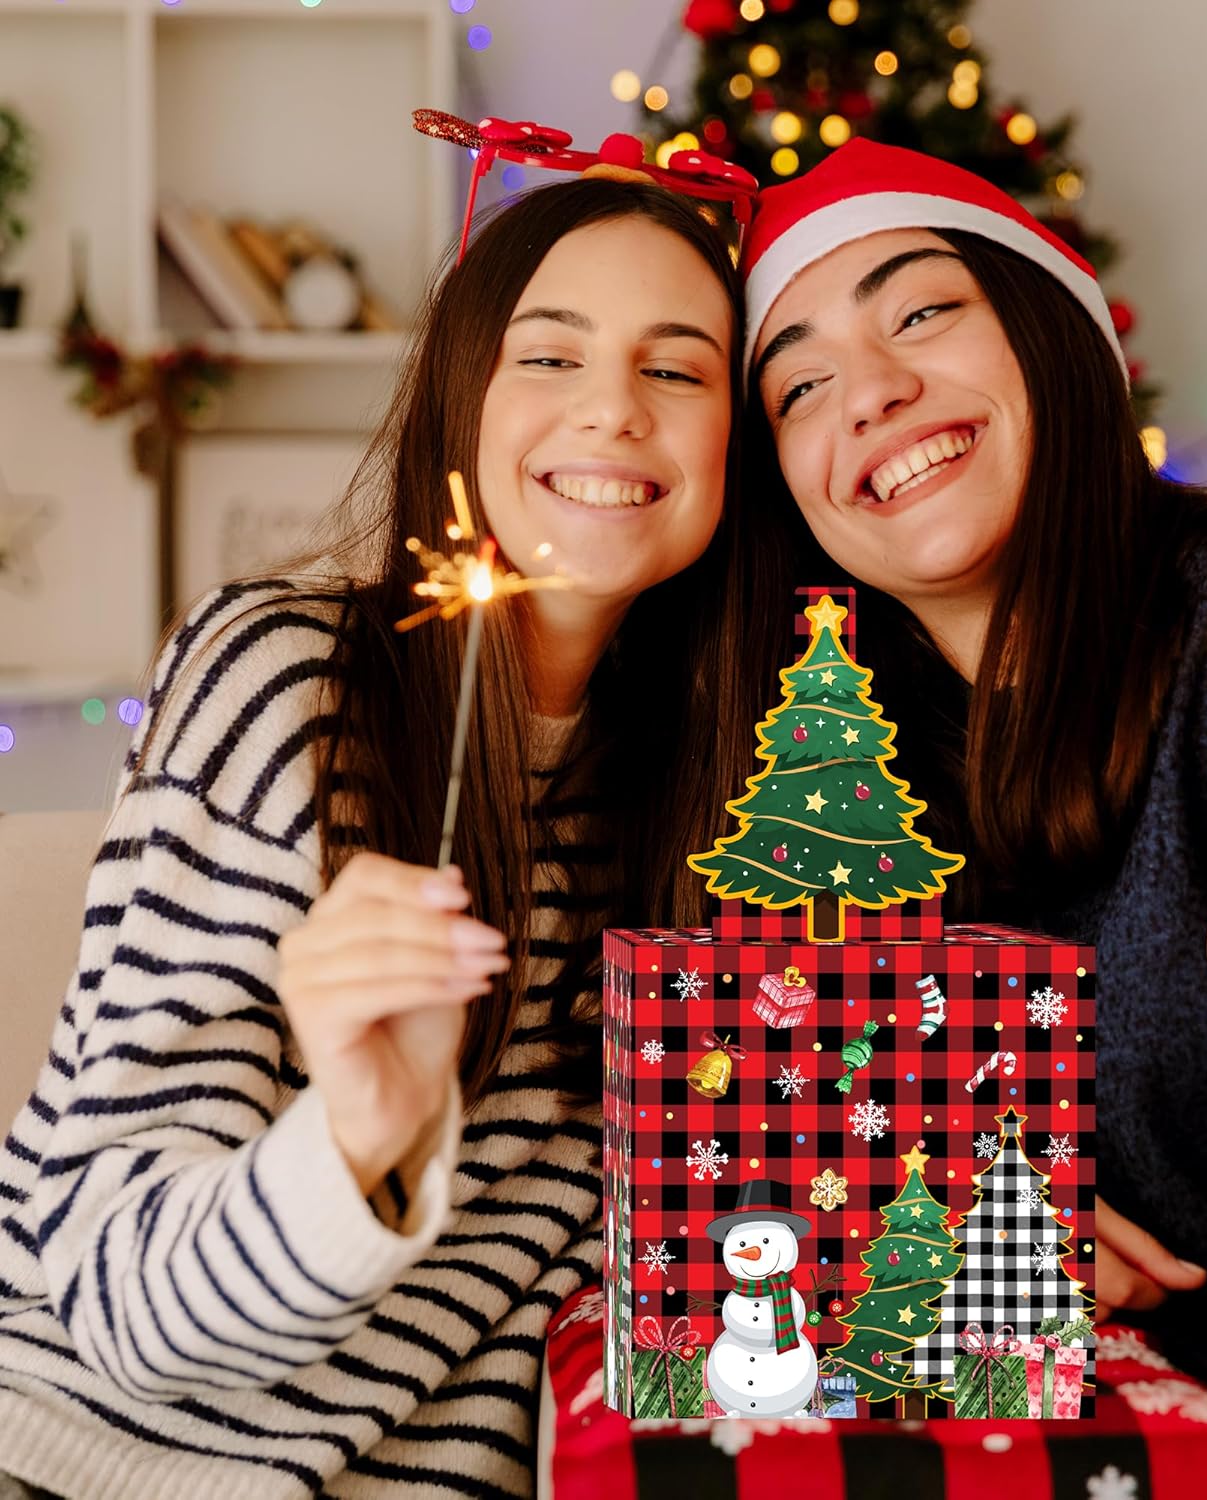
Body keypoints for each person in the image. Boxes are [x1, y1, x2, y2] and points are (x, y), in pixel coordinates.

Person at [737, 138, 1207, 1498]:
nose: (874, 394)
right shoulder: (810, 765)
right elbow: (759, 1127)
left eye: (919, 312)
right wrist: (955, 1213)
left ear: (1050, 333)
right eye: (800, 384)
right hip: (1041, 1445)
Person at [0, 170, 757, 1499]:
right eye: (550, 351)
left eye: (679, 370)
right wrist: (352, 1142)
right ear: (461, 393)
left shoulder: (740, 804)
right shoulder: (285, 683)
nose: (613, 406)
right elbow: (119, 1303)